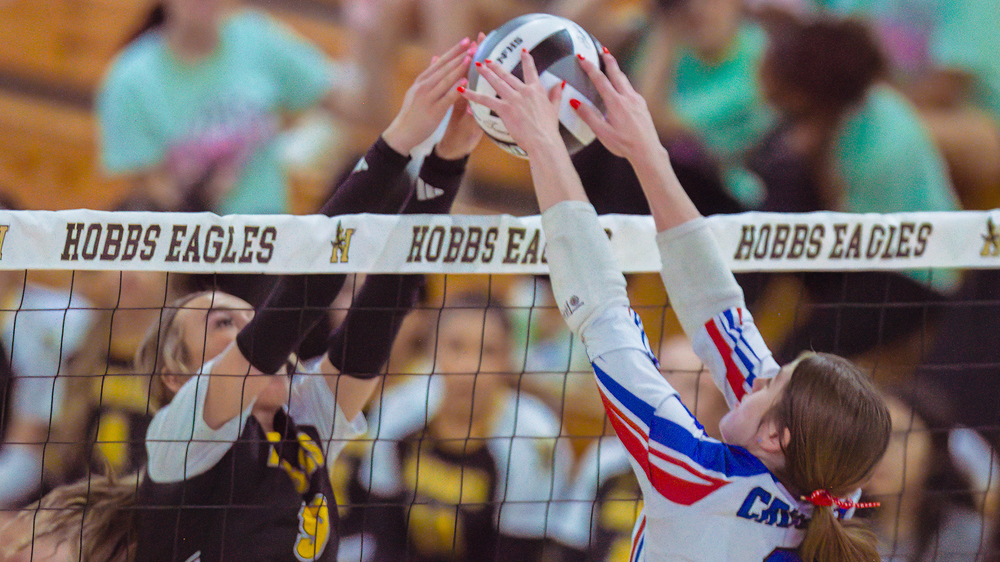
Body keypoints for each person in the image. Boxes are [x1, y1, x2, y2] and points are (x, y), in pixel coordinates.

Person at [0, 38, 482, 562]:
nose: (255, 334)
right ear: (179, 378)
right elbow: (305, 290)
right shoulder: (184, 439)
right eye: (224, 325)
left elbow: (385, 303)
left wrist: (444, 164)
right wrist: (396, 141)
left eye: (250, 321)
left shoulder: (304, 427)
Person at [461, 46, 891, 560]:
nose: (758, 373)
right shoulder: (834, 492)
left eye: (771, 382)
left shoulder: (695, 478)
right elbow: (720, 313)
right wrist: (647, 151)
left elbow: (604, 315)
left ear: (777, 437)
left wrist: (543, 143)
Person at [341, 291, 573, 562]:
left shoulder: (535, 438)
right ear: (431, 350)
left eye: (489, 351)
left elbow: (515, 553)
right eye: (455, 346)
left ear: (509, 359)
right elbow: (385, 537)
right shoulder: (397, 409)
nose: (470, 367)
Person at [96, 0, 375, 216]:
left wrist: (366, 31)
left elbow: (352, 103)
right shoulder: (129, 78)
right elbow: (148, 192)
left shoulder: (256, 38)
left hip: (264, 238)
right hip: (187, 250)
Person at [863, 386, 990, 562]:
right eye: (872, 436)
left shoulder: (970, 535)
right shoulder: (836, 526)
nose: (880, 451)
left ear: (935, 451)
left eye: (899, 436)